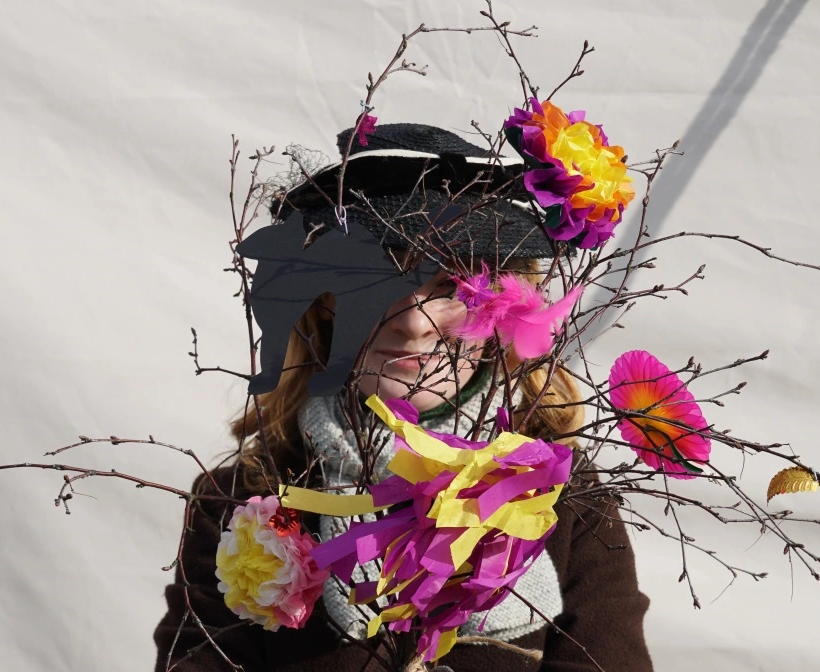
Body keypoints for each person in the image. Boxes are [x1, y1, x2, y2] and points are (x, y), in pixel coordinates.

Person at [152, 123, 655, 672]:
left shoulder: (563, 495)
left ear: (509, 305)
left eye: (450, 287)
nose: (414, 324)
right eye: (376, 282)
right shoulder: (241, 501)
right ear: (325, 304)